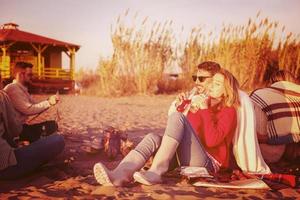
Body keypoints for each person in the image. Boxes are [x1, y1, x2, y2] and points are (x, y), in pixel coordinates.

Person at [93, 67, 240, 186]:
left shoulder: (229, 110)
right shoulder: (203, 102)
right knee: (153, 138)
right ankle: (119, 175)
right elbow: (186, 132)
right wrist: (183, 107)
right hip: (189, 155)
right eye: (212, 82)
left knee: (177, 118)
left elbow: (212, 141)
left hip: (209, 163)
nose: (211, 86)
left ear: (227, 89)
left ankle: (156, 171)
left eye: (217, 84)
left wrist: (203, 111)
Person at [0, 89, 65, 180]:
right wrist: (49, 102)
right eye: (28, 74)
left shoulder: (20, 91)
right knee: (58, 139)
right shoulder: (3, 95)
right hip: (4, 169)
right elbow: (15, 130)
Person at [250, 70, 300, 163]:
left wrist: (266, 139)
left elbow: (259, 137)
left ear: (272, 82)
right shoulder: (297, 99)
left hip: (263, 152)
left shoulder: (260, 96)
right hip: (288, 151)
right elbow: (296, 136)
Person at [4, 62, 59, 143]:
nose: (32, 77)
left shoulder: (21, 89)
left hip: (20, 128)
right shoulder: (13, 89)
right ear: (20, 75)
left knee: (52, 125)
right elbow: (28, 109)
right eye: (29, 75)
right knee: (51, 126)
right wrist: (49, 102)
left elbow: (35, 104)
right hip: (15, 132)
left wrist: (49, 100)